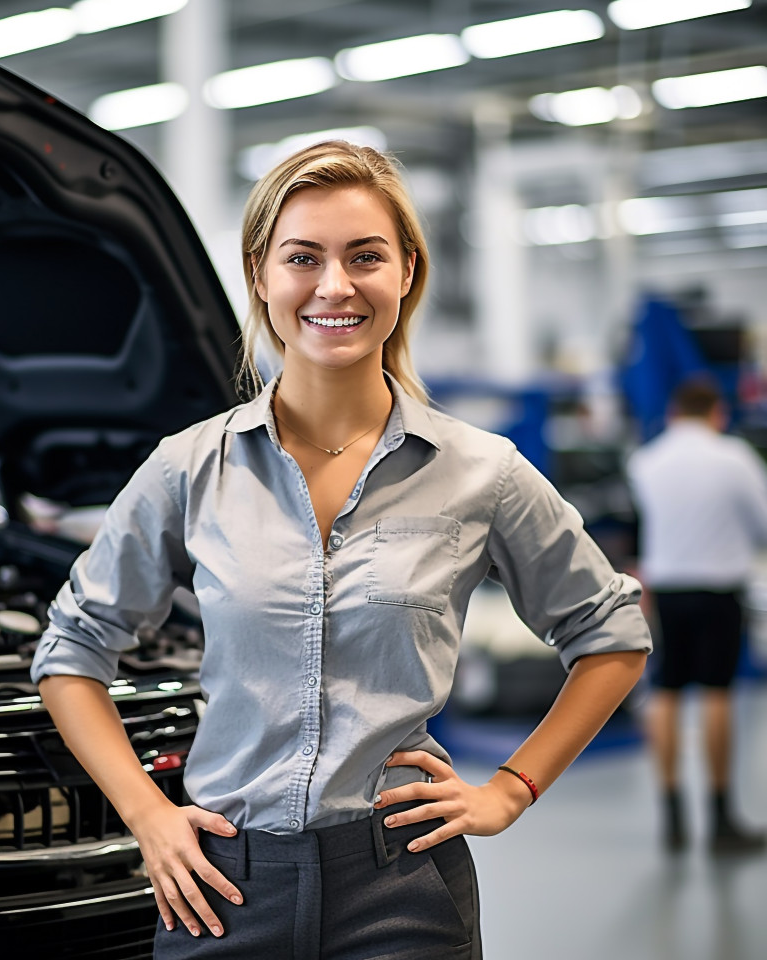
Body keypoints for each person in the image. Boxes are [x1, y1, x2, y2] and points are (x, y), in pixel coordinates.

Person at [32, 141, 651, 959]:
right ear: (260, 275)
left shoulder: (481, 472)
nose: (335, 286)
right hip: (221, 886)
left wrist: (511, 787)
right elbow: (72, 651)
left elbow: (611, 637)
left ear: (407, 274)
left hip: (402, 886)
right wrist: (146, 815)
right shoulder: (189, 467)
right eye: (303, 257)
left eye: (365, 257)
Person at [627, 379, 767, 854]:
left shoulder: (646, 461)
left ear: (672, 413)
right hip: (719, 590)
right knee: (716, 693)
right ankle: (721, 815)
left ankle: (672, 816)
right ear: (718, 414)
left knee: (665, 691)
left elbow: (638, 529)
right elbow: (762, 522)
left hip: (666, 591)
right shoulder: (735, 458)